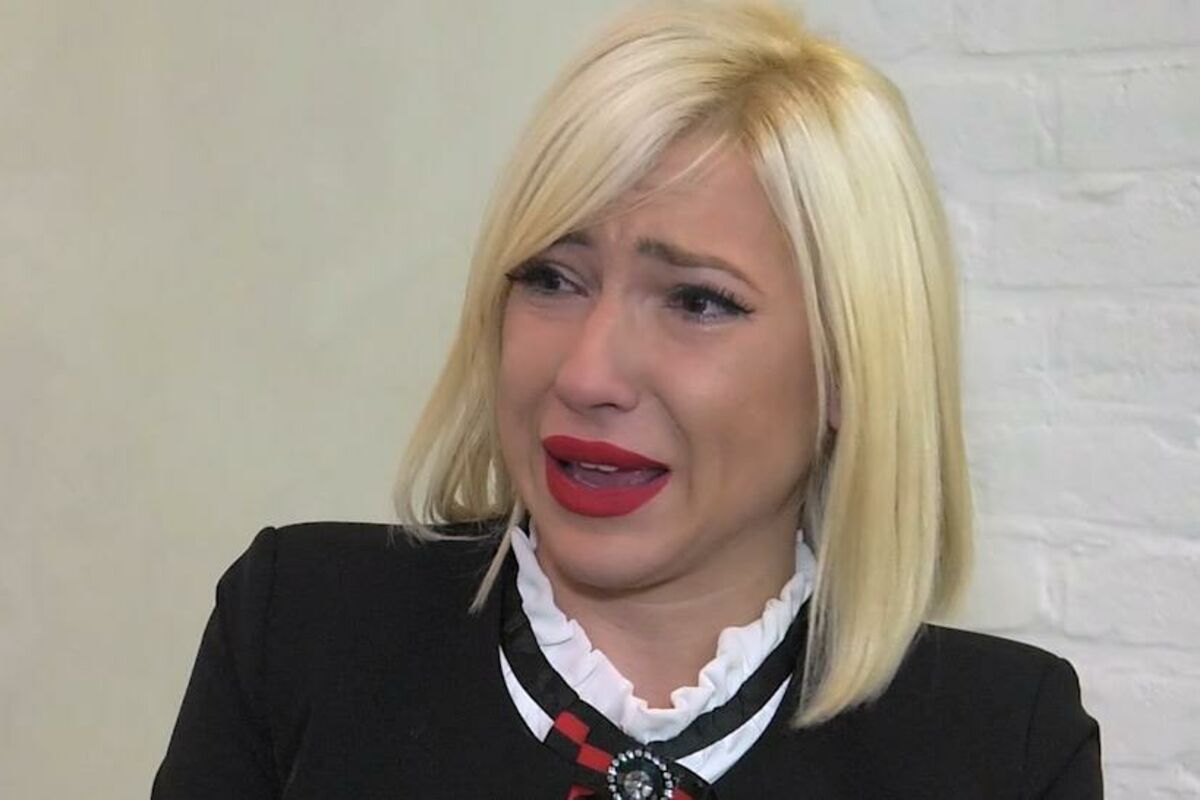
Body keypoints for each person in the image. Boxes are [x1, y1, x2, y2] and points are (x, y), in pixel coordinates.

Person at [153, 1, 1102, 797]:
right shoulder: (301, 630)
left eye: (697, 301)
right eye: (551, 279)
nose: (586, 376)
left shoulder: (1004, 745)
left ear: (851, 368)